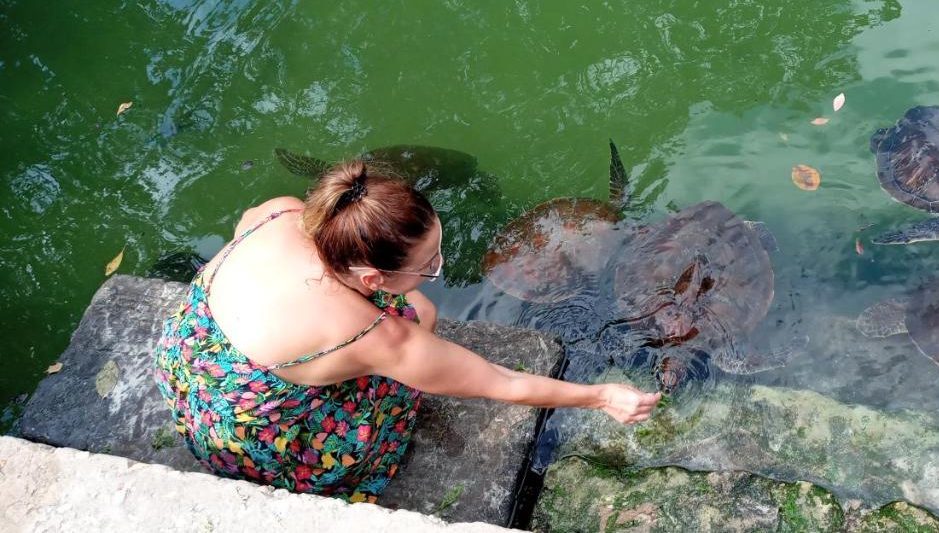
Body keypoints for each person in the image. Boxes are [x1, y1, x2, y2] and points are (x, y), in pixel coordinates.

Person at [154, 160, 659, 502]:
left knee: (413, 307)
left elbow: (250, 231)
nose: (438, 267)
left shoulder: (282, 212)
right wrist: (602, 398)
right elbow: (502, 383)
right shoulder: (374, 336)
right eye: (430, 263)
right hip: (247, 438)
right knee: (420, 319)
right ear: (371, 279)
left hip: (190, 359)